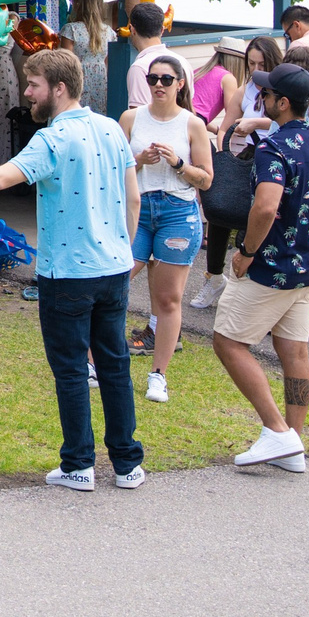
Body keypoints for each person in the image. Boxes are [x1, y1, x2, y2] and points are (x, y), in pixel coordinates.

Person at [0, 48, 143, 491]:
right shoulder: (112, 128)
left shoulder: (52, 139)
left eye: (33, 85)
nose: (27, 93)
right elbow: (133, 198)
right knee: (115, 366)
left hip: (68, 275)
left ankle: (78, 466)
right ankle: (128, 465)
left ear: (60, 88)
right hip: (114, 269)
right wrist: (123, 250)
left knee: (72, 371)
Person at [210, 62, 309, 472]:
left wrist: (246, 251)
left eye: (266, 94)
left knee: (228, 342)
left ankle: (277, 431)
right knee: (294, 351)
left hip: (270, 266)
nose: (261, 99)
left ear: (282, 103)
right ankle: (293, 445)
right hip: (307, 268)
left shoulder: (275, 148)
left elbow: (266, 206)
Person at [121, 52, 213, 401]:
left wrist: (178, 163)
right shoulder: (131, 118)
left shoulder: (192, 124)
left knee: (168, 298)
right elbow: (114, 168)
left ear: (180, 84)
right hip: (138, 208)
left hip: (177, 211)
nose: (158, 85)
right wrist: (139, 160)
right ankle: (94, 362)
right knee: (113, 281)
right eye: (152, 79)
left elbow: (206, 180)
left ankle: (158, 375)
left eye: (166, 79)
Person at [193, 33, 287, 311]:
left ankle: (247, 281)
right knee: (220, 209)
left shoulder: (282, 92)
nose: (256, 70)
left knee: (256, 216)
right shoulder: (245, 89)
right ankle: (214, 276)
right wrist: (225, 154)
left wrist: (256, 123)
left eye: (262, 65)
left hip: (274, 158)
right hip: (246, 155)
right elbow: (226, 126)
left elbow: (286, 122)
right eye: (252, 64)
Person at [122, 2, 170, 109]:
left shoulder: (139, 68)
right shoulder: (182, 62)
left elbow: (139, 113)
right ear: (162, 30)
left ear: (132, 30)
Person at [63, 0, 112, 83]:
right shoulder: (109, 31)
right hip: (101, 81)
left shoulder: (71, 30)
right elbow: (108, 62)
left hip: (77, 81)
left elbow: (66, 63)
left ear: (78, 3)